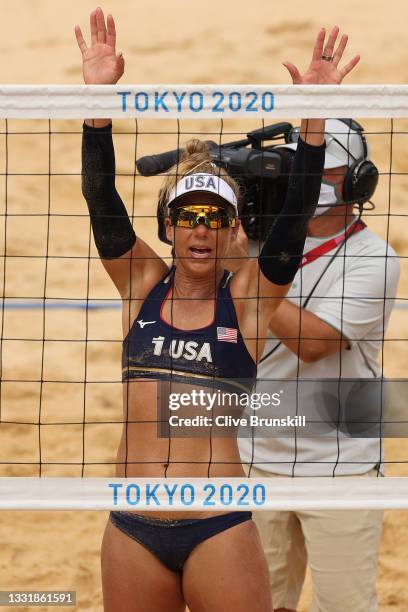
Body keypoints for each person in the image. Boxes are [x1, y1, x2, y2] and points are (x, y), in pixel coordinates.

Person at [75, 9, 359, 611]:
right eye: (187, 218)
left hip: (217, 524)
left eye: (214, 218)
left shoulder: (250, 302)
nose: (200, 230)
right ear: (170, 229)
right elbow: (101, 199)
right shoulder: (141, 283)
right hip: (133, 523)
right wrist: (97, 104)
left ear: (231, 228)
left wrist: (313, 125)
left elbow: (290, 227)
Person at [239, 117, 400, 612]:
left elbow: (312, 342)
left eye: (324, 171)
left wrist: (242, 265)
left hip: (341, 468)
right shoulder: (257, 243)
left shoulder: (377, 259)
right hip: (254, 458)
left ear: (357, 180)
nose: (304, 180)